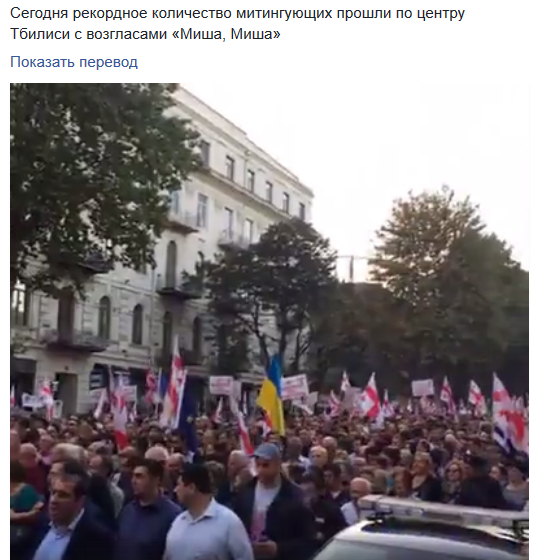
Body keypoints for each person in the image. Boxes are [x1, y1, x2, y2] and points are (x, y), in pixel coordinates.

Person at [233, 442, 315, 560]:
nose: (260, 470)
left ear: (278, 464)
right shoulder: (246, 491)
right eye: (258, 465)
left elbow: (307, 540)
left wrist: (278, 548)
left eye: (266, 465)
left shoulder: (296, 496)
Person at [164, 463, 254, 560]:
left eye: (179, 485)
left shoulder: (229, 522)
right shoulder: (177, 522)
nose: (175, 490)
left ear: (191, 488)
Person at [24, 463, 114, 560]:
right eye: (53, 493)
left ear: (80, 501)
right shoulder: (42, 523)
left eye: (63, 495)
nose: (53, 500)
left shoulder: (97, 538)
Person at [114, 457, 182, 560]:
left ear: (156, 480)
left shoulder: (172, 515)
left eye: (139, 476)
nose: (133, 481)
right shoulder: (128, 510)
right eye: (133, 476)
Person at [300, 471, 347, 552]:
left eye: (309, 491)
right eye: (302, 492)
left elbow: (342, 530)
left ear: (319, 492)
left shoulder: (331, 509)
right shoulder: (296, 510)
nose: (306, 496)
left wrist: (324, 535)